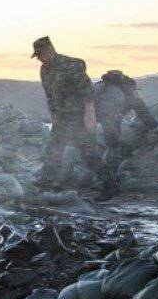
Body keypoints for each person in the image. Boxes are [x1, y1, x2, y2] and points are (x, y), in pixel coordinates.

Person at [32, 36, 106, 192]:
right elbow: (50, 95)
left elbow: (88, 90)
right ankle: (47, 181)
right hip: (61, 117)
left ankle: (109, 185)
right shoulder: (45, 69)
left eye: (40, 54)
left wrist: (90, 115)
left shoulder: (71, 65)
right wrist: (54, 115)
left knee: (88, 152)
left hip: (77, 116)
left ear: (50, 50)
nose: (39, 58)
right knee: (53, 149)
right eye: (37, 56)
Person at [95, 70, 158, 193]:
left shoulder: (99, 86)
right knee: (112, 147)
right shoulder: (127, 91)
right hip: (111, 120)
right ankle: (110, 181)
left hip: (94, 120)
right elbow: (142, 111)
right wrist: (154, 126)